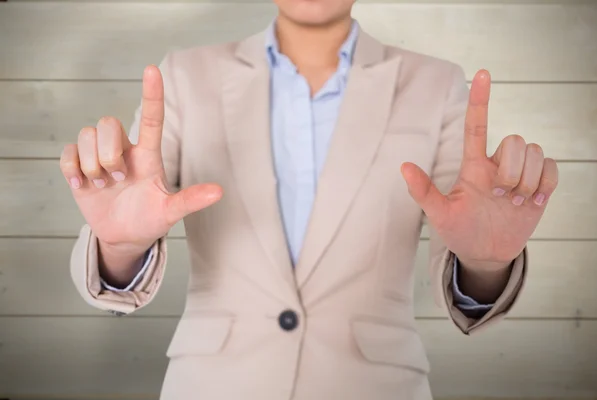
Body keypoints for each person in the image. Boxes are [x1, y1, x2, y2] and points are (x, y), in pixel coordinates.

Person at [59, 0, 559, 399]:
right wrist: (119, 247)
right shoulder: (187, 75)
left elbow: (461, 240)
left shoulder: (436, 84)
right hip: (214, 386)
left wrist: (485, 263)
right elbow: (137, 215)